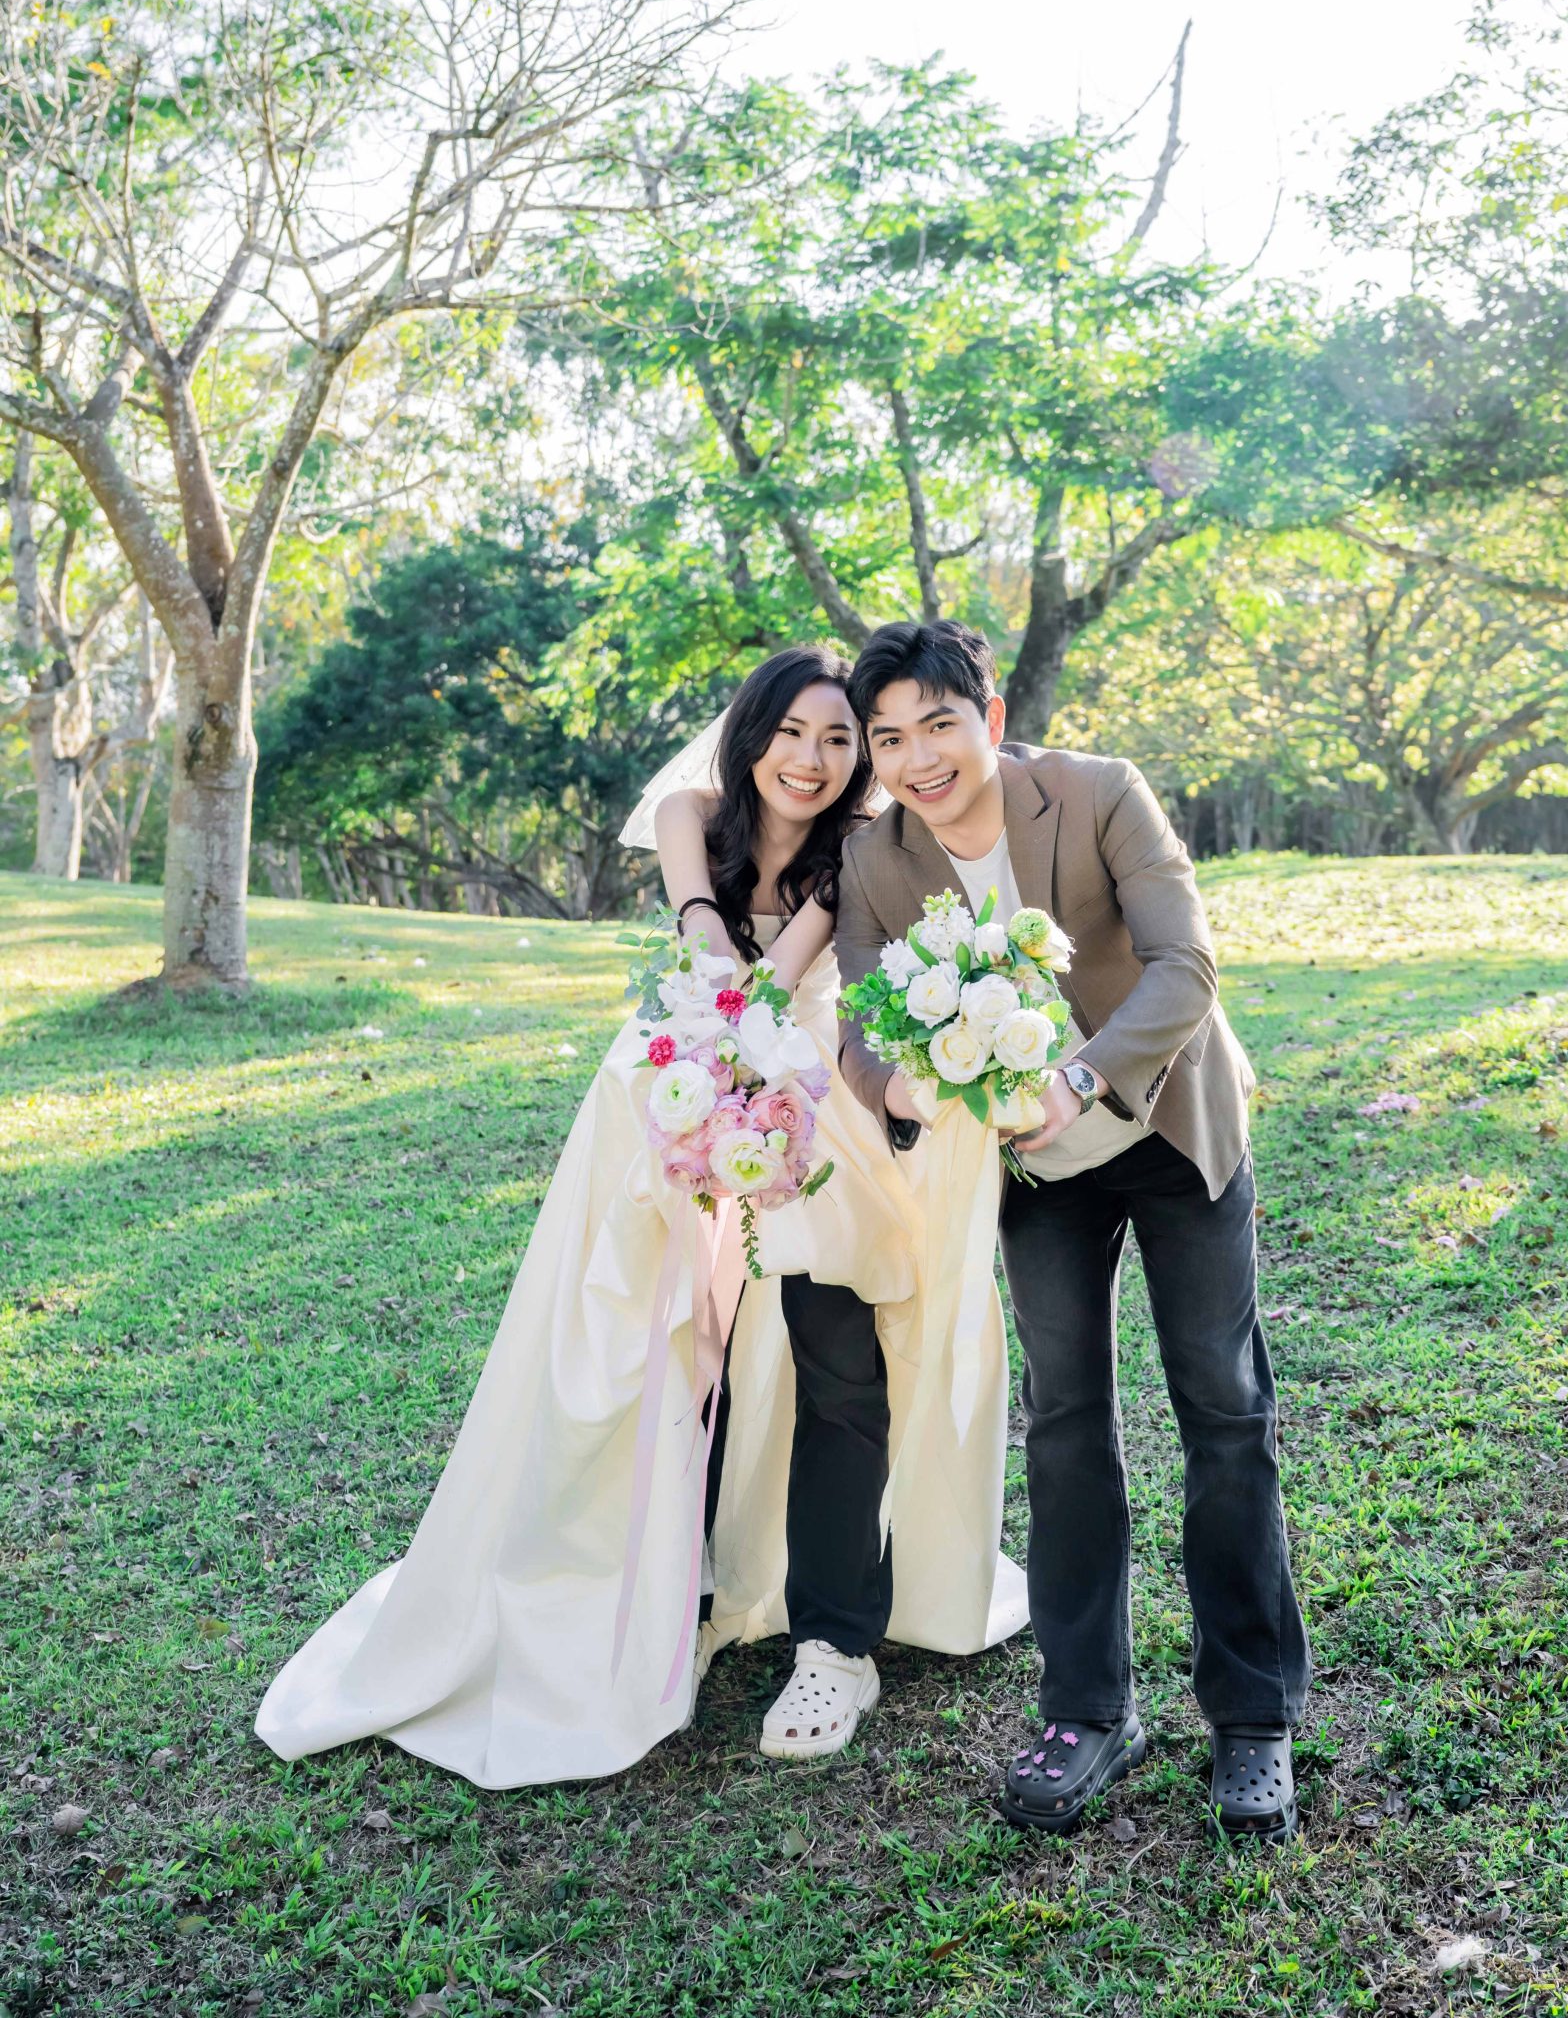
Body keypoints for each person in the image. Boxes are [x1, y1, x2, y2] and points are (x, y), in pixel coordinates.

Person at [255, 645, 1022, 1790]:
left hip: (811, 1091)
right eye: (792, 732)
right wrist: (709, 1089)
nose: (811, 760)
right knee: (662, 1348)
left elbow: (779, 983)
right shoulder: (688, 814)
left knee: (832, 1348)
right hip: (677, 1082)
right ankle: (677, 1583)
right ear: (751, 732)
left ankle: (836, 1640)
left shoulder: (853, 851)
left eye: (838, 740)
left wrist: (758, 1081)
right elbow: (708, 954)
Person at [813, 617, 1310, 1840]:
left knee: (1223, 1406)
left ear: (988, 718)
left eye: (940, 724)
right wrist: (905, 1088)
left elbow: (1186, 966)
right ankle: (1088, 1709)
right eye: (890, 738)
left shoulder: (1097, 792)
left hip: (1169, 1126)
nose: (920, 758)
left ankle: (1252, 1716)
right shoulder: (875, 861)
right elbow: (864, 1025)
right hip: (1036, 1173)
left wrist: (1077, 1079)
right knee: (1067, 1420)